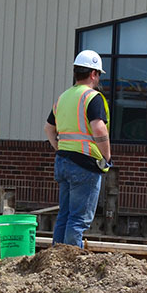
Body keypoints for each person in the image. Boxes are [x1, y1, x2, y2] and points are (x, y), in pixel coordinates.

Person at [44, 50, 112, 247]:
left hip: (63, 161)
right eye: (98, 74)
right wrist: (106, 156)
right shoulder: (92, 97)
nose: (98, 78)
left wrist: (59, 148)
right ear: (93, 74)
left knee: (64, 216)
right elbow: (98, 128)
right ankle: (71, 267)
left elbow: (49, 128)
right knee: (78, 220)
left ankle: (56, 261)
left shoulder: (63, 97)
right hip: (85, 164)